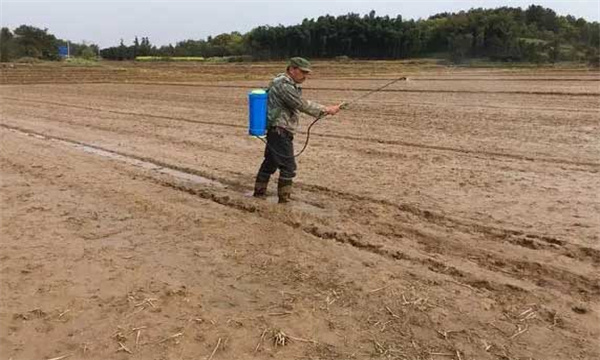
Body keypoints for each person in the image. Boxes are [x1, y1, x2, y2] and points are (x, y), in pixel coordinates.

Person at [253, 57, 342, 203]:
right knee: (288, 166)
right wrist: (326, 109)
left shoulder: (287, 83)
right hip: (280, 130)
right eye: (303, 72)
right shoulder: (283, 84)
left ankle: (259, 193)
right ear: (292, 69)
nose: (305, 76)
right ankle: (284, 201)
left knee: (270, 162)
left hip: (278, 129)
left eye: (307, 73)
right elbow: (300, 104)